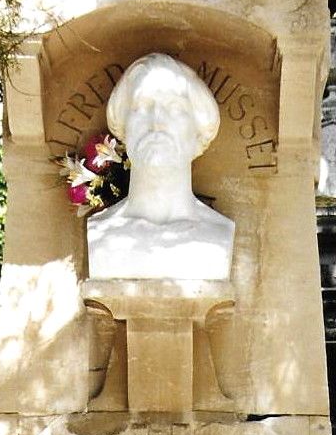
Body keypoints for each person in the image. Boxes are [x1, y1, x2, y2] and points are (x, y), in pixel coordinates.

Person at [87, 53, 235, 279]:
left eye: (175, 109)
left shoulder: (219, 233)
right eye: (142, 107)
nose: (157, 122)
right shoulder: (100, 232)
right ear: (124, 127)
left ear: (199, 132)